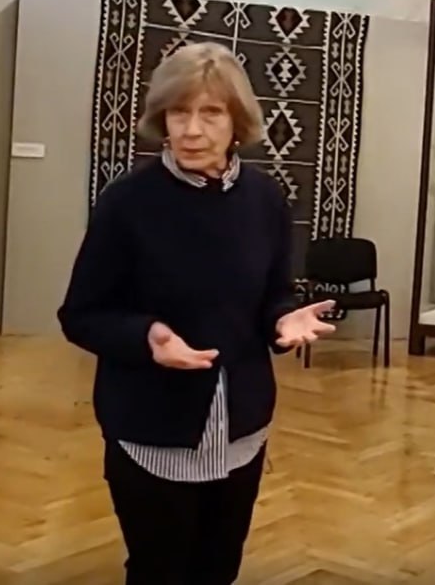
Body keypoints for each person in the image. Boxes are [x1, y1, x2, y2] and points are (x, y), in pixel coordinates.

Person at [58, 42, 335, 585]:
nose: (190, 130)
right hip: (150, 427)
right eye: (178, 112)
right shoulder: (127, 203)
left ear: (237, 123)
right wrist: (148, 336)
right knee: (159, 571)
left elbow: (273, 294)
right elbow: (82, 314)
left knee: (218, 569)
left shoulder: (266, 200)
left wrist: (282, 321)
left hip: (241, 429)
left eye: (210, 113)